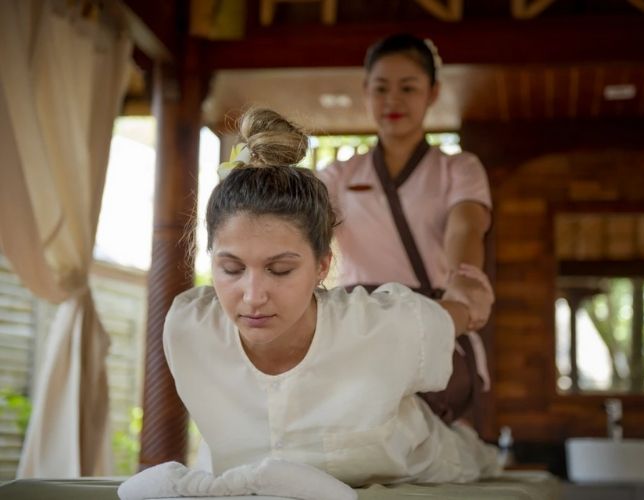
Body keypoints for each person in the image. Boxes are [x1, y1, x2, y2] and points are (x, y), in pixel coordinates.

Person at [163, 108, 500, 487]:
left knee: (472, 450)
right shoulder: (188, 327)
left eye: (280, 270)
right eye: (232, 269)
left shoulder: (382, 327)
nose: (253, 297)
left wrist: (468, 284)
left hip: (428, 462)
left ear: (322, 265)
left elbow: (464, 311)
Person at [316, 33, 494, 425]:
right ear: (366, 92)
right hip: (356, 327)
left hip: (433, 318)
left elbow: (465, 227)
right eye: (381, 88)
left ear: (432, 93)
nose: (393, 100)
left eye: (408, 87)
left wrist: (463, 280)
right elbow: (302, 233)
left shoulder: (459, 169)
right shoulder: (336, 176)